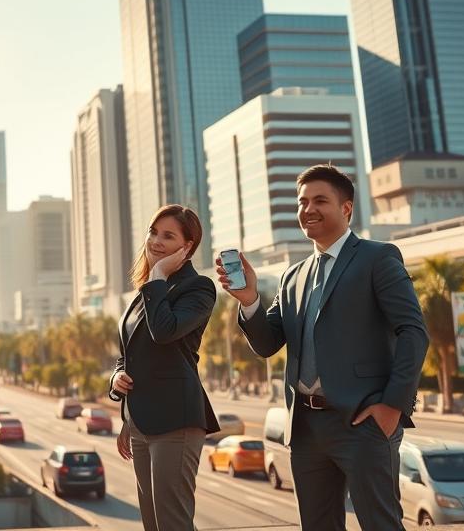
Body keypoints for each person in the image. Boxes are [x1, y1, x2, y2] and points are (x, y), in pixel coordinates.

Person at [219, 164, 429, 530]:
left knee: (381, 524)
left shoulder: (377, 258)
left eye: (320, 200)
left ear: (346, 208)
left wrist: (392, 407)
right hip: (306, 428)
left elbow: (414, 332)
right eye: (302, 202)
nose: (307, 209)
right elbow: (268, 344)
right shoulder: (292, 276)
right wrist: (250, 299)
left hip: (364, 422)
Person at [108, 204, 220, 531]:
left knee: (173, 522)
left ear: (187, 247)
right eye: (153, 232)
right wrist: (117, 381)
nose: (155, 241)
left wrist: (158, 276)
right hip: (141, 422)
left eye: (168, 236)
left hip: (176, 420)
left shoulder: (198, 288)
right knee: (153, 524)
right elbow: (128, 353)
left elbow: (165, 331)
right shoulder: (144, 292)